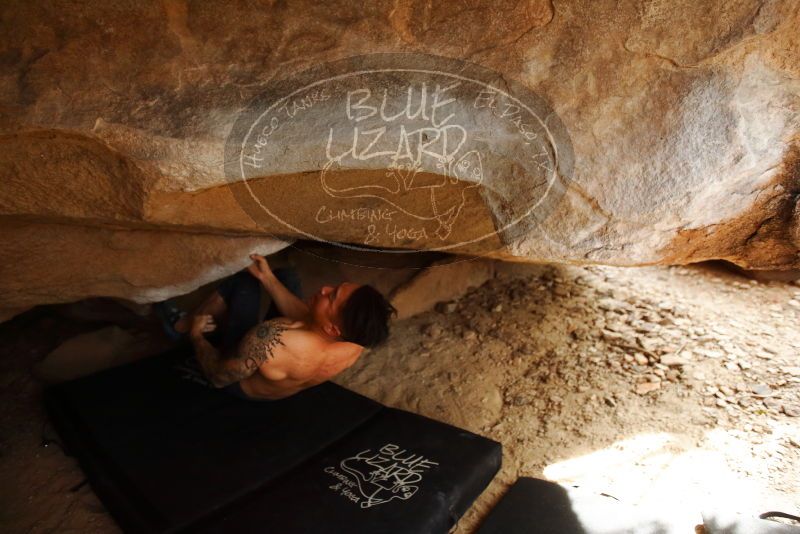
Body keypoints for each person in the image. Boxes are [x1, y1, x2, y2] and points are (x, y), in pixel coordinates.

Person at [161, 254, 395, 400]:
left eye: (331, 296)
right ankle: (269, 278)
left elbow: (220, 377)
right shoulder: (356, 339)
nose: (324, 288)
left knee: (243, 284)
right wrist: (267, 278)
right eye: (336, 287)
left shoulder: (273, 340)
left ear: (333, 329)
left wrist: (196, 335)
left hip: (240, 385)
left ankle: (178, 328)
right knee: (286, 276)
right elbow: (310, 319)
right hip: (283, 383)